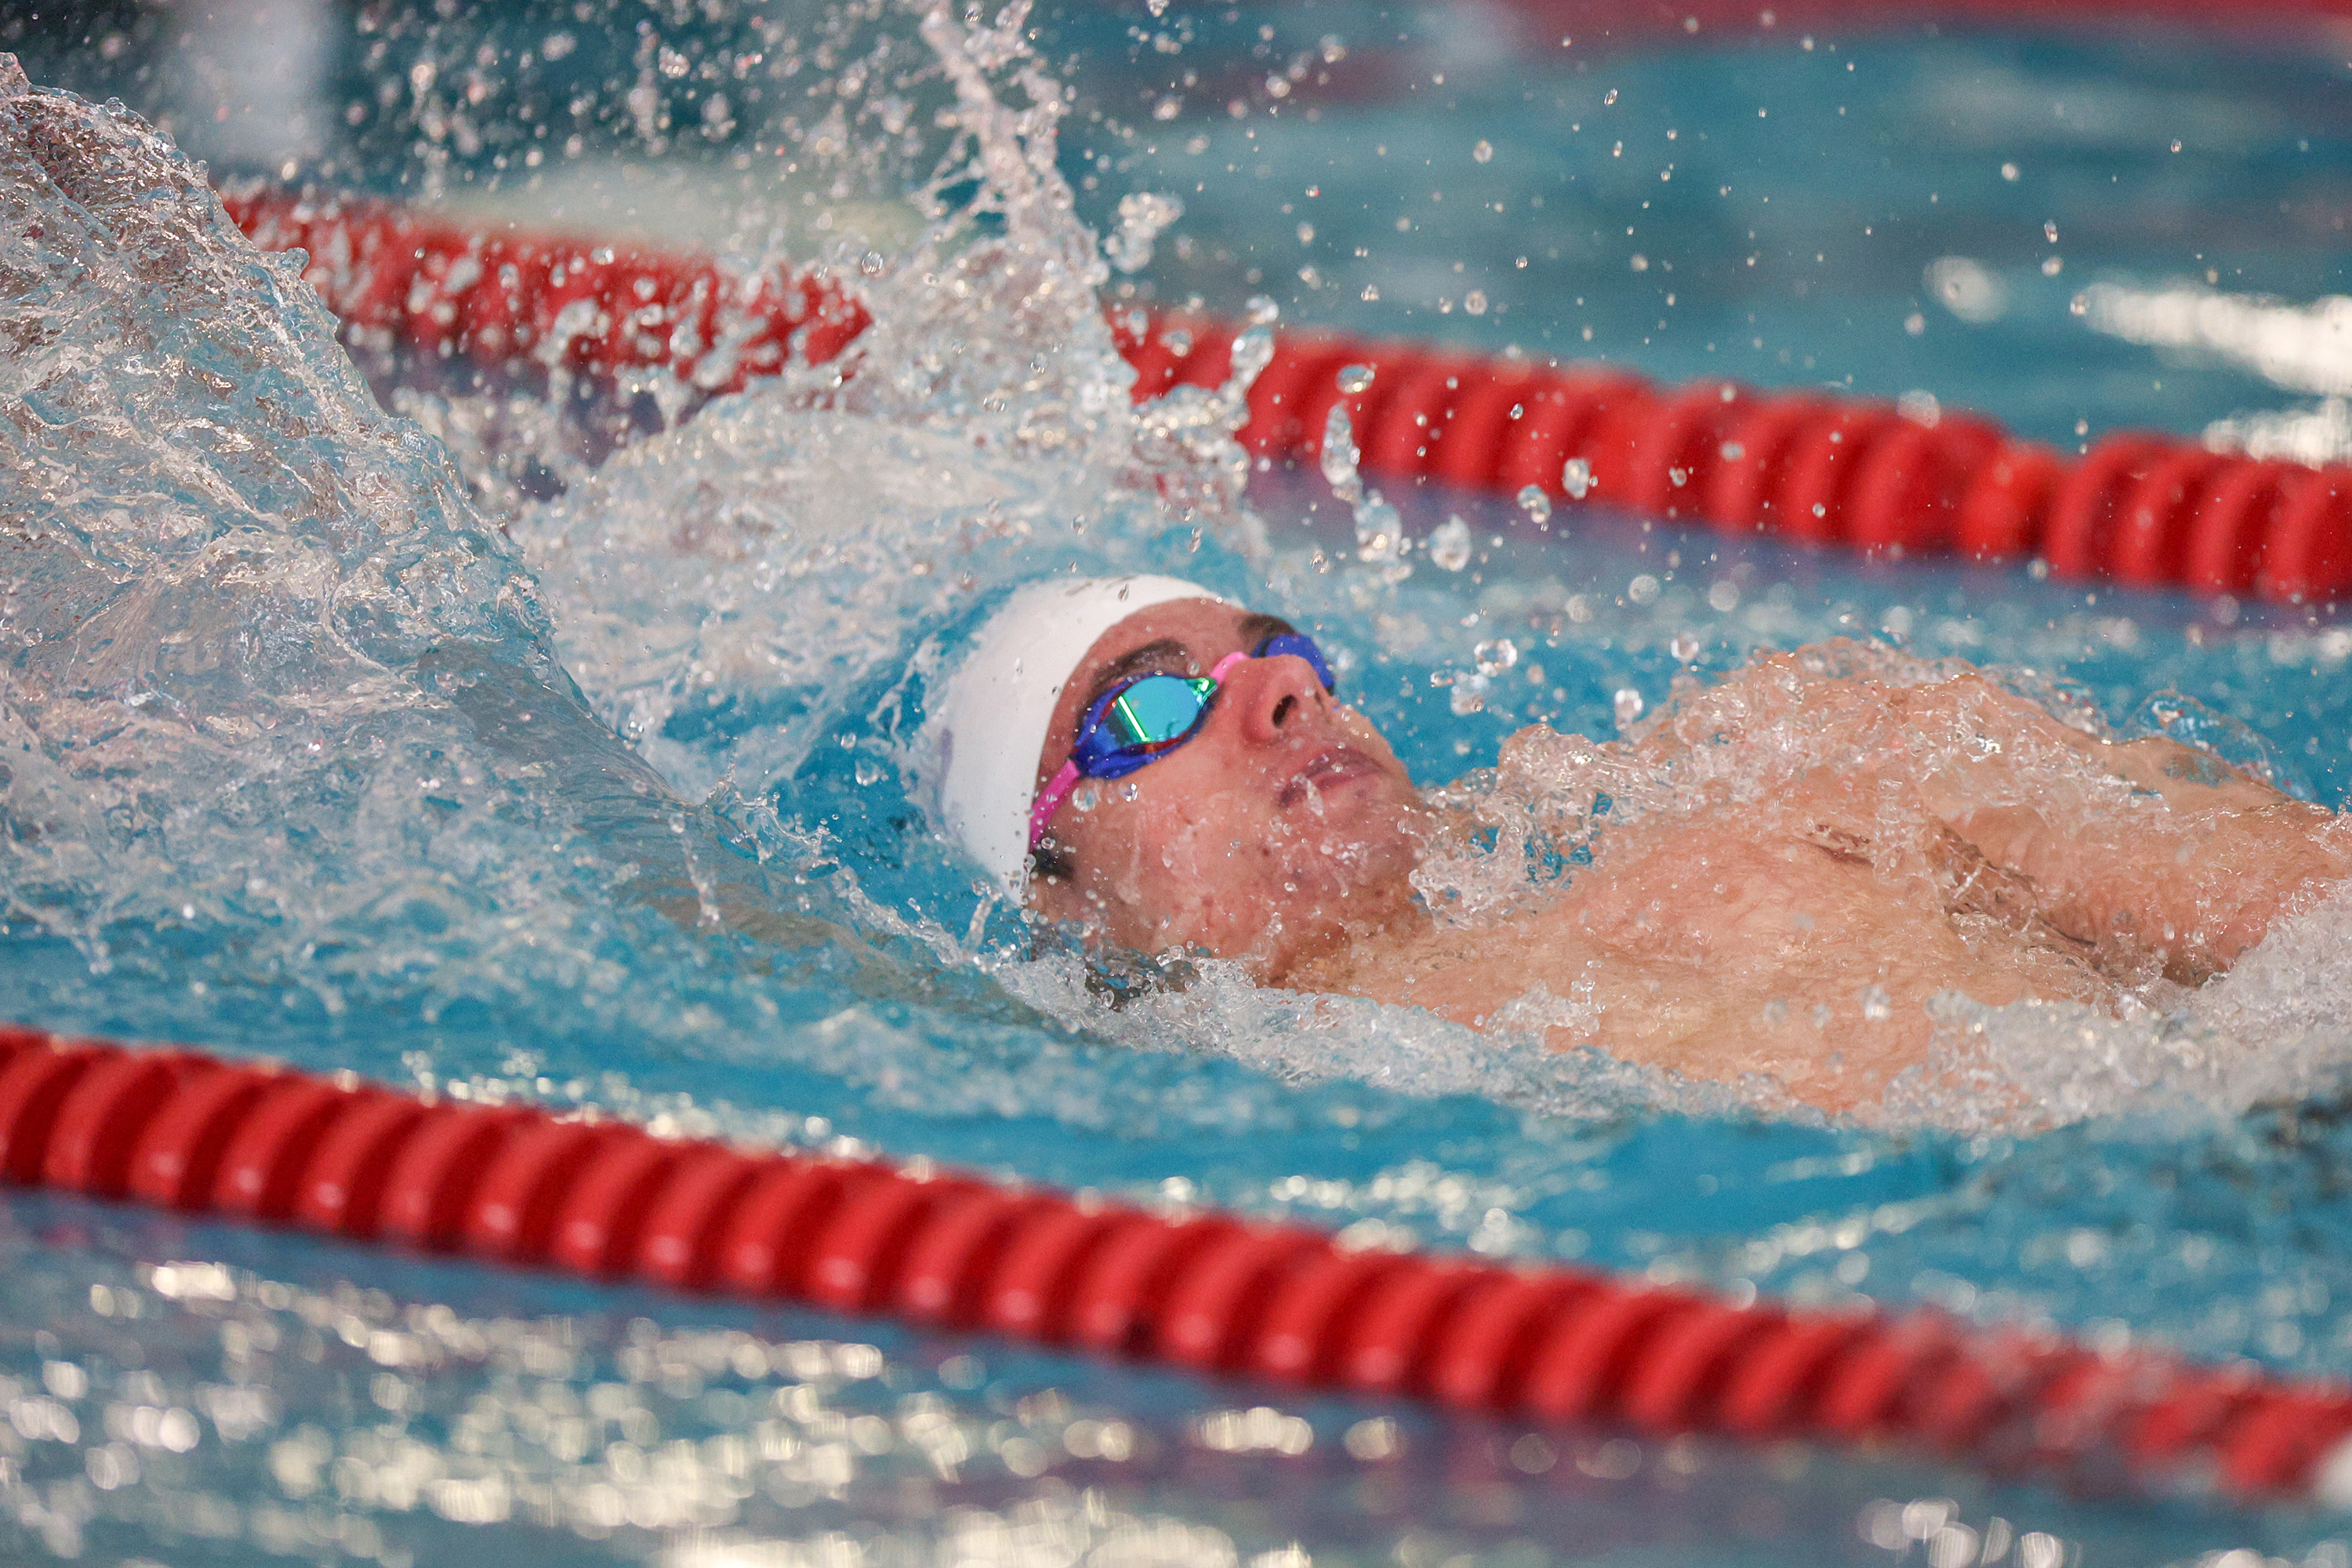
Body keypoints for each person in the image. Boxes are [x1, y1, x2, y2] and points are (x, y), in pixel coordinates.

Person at [920, 576, 2352, 1113]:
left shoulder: (1808, 769)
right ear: (1058, 906)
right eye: (1155, 704)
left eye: (1280, 648)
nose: (1287, 689)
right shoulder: (1305, 1130)